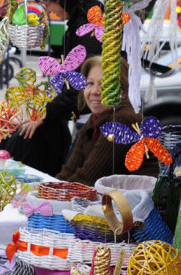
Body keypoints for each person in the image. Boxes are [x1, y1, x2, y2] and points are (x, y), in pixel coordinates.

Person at [1, 0, 101, 175]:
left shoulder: (87, 26)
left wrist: (45, 113)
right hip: (83, 116)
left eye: (48, 3)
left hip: (94, 117)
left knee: (74, 176)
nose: (47, 9)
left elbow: (79, 86)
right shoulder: (81, 22)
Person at [56, 55, 159, 186]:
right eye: (90, 83)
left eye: (105, 84)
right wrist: (50, 189)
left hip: (131, 203)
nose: (94, 91)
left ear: (122, 90)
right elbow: (67, 172)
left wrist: (54, 193)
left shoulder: (123, 120)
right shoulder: (98, 116)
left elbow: (87, 179)